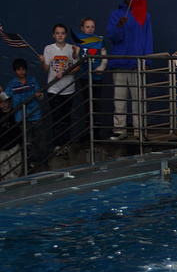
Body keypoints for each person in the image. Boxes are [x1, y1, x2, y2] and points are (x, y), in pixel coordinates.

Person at [106, 0, 153, 140]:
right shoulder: (115, 15)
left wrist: (147, 60)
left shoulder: (144, 15)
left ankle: (140, 130)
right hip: (119, 63)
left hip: (137, 64)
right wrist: (119, 26)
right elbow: (112, 38)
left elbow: (148, 38)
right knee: (119, 101)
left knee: (139, 100)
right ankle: (120, 130)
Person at [39, 23, 79, 151]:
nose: (60, 35)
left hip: (68, 89)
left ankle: (66, 144)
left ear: (65, 35)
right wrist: (43, 62)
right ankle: (57, 145)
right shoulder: (48, 49)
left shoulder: (71, 48)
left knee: (66, 118)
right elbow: (46, 69)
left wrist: (66, 71)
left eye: (62, 33)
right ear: (53, 35)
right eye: (57, 33)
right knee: (56, 118)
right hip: (53, 89)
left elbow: (77, 67)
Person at [5, 58, 48, 169]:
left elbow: (41, 96)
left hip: (35, 115)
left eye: (23, 69)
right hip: (21, 118)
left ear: (26, 70)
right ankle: (28, 165)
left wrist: (40, 95)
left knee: (40, 141)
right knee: (26, 143)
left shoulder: (32, 80)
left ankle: (43, 163)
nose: (21, 72)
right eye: (18, 70)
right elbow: (5, 98)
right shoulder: (12, 84)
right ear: (15, 71)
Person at [74, 17, 108, 140]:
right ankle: (89, 132)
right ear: (82, 28)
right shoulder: (79, 40)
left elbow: (104, 57)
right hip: (84, 77)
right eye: (87, 27)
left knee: (96, 104)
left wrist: (101, 67)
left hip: (97, 77)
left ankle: (97, 133)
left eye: (92, 27)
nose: (90, 29)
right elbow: (76, 57)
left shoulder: (99, 40)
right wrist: (75, 54)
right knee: (87, 104)